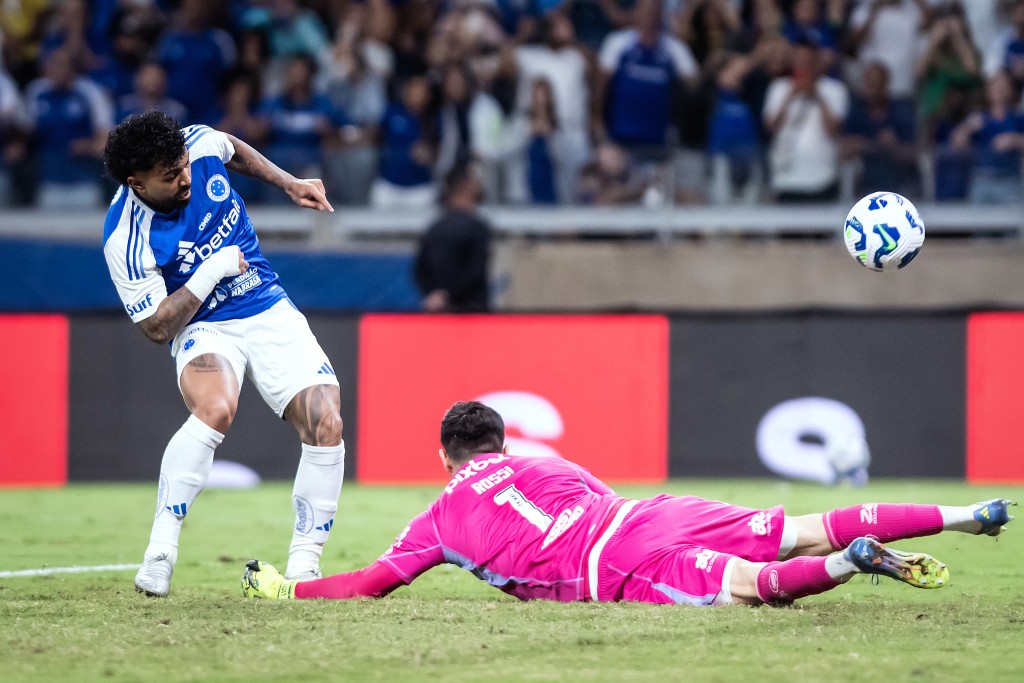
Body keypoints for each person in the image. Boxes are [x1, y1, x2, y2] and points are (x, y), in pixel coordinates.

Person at [241, 401, 1016, 606]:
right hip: (645, 513)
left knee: (751, 588)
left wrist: (288, 589)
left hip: (613, 564)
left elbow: (370, 582)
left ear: (445, 458)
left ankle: (849, 565)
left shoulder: (438, 517)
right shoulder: (543, 462)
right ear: (502, 444)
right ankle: (964, 514)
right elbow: (601, 495)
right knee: (806, 527)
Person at [101, 111, 346, 597]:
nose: (186, 179)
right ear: (138, 183)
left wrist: (289, 182)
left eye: (184, 165)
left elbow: (231, 147)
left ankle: (304, 567)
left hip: (265, 302)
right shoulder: (126, 238)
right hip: (203, 324)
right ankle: (160, 553)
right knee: (215, 408)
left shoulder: (198, 144)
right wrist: (210, 270)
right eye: (170, 176)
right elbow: (156, 327)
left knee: (327, 423)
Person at [413, 164, 491, 313]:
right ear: (464, 192)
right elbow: (476, 270)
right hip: (471, 311)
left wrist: (434, 294)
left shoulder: (434, 227)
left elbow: (420, 271)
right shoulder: (477, 228)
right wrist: (447, 295)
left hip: (438, 309)